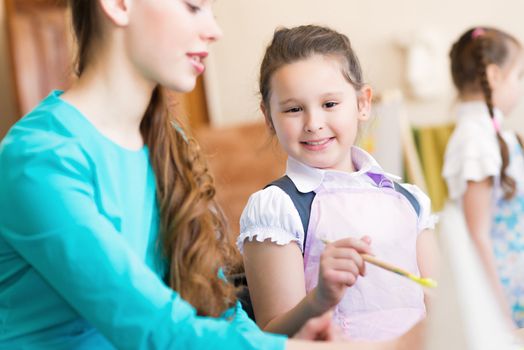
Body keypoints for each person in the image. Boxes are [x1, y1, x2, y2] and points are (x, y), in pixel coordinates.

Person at [0, 1, 427, 349]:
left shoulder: (169, 147)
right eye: (193, 7)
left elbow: (216, 310)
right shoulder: (39, 158)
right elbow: (153, 328)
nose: (214, 30)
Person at [238, 25, 439, 341]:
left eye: (329, 104)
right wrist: (319, 299)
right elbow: (269, 337)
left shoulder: (410, 200)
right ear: (268, 117)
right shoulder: (277, 208)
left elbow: (438, 303)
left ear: (362, 103)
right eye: (293, 109)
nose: (314, 124)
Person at [442, 26, 524, 327]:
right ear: (494, 75)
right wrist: (498, 310)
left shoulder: (491, 133)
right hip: (501, 289)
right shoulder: (474, 141)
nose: (520, 86)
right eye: (519, 76)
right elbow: (477, 234)